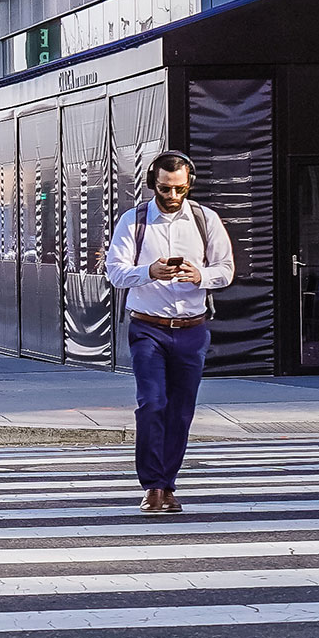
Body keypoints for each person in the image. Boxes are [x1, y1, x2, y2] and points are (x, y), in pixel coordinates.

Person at [106, 151, 234, 514]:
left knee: (180, 411)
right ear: (153, 184)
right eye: (164, 188)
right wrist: (150, 271)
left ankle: (168, 484)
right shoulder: (134, 220)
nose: (172, 196)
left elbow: (225, 269)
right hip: (148, 326)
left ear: (189, 183)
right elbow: (115, 272)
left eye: (179, 188)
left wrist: (201, 276)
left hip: (193, 329)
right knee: (152, 404)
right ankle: (151, 486)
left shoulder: (205, 219)